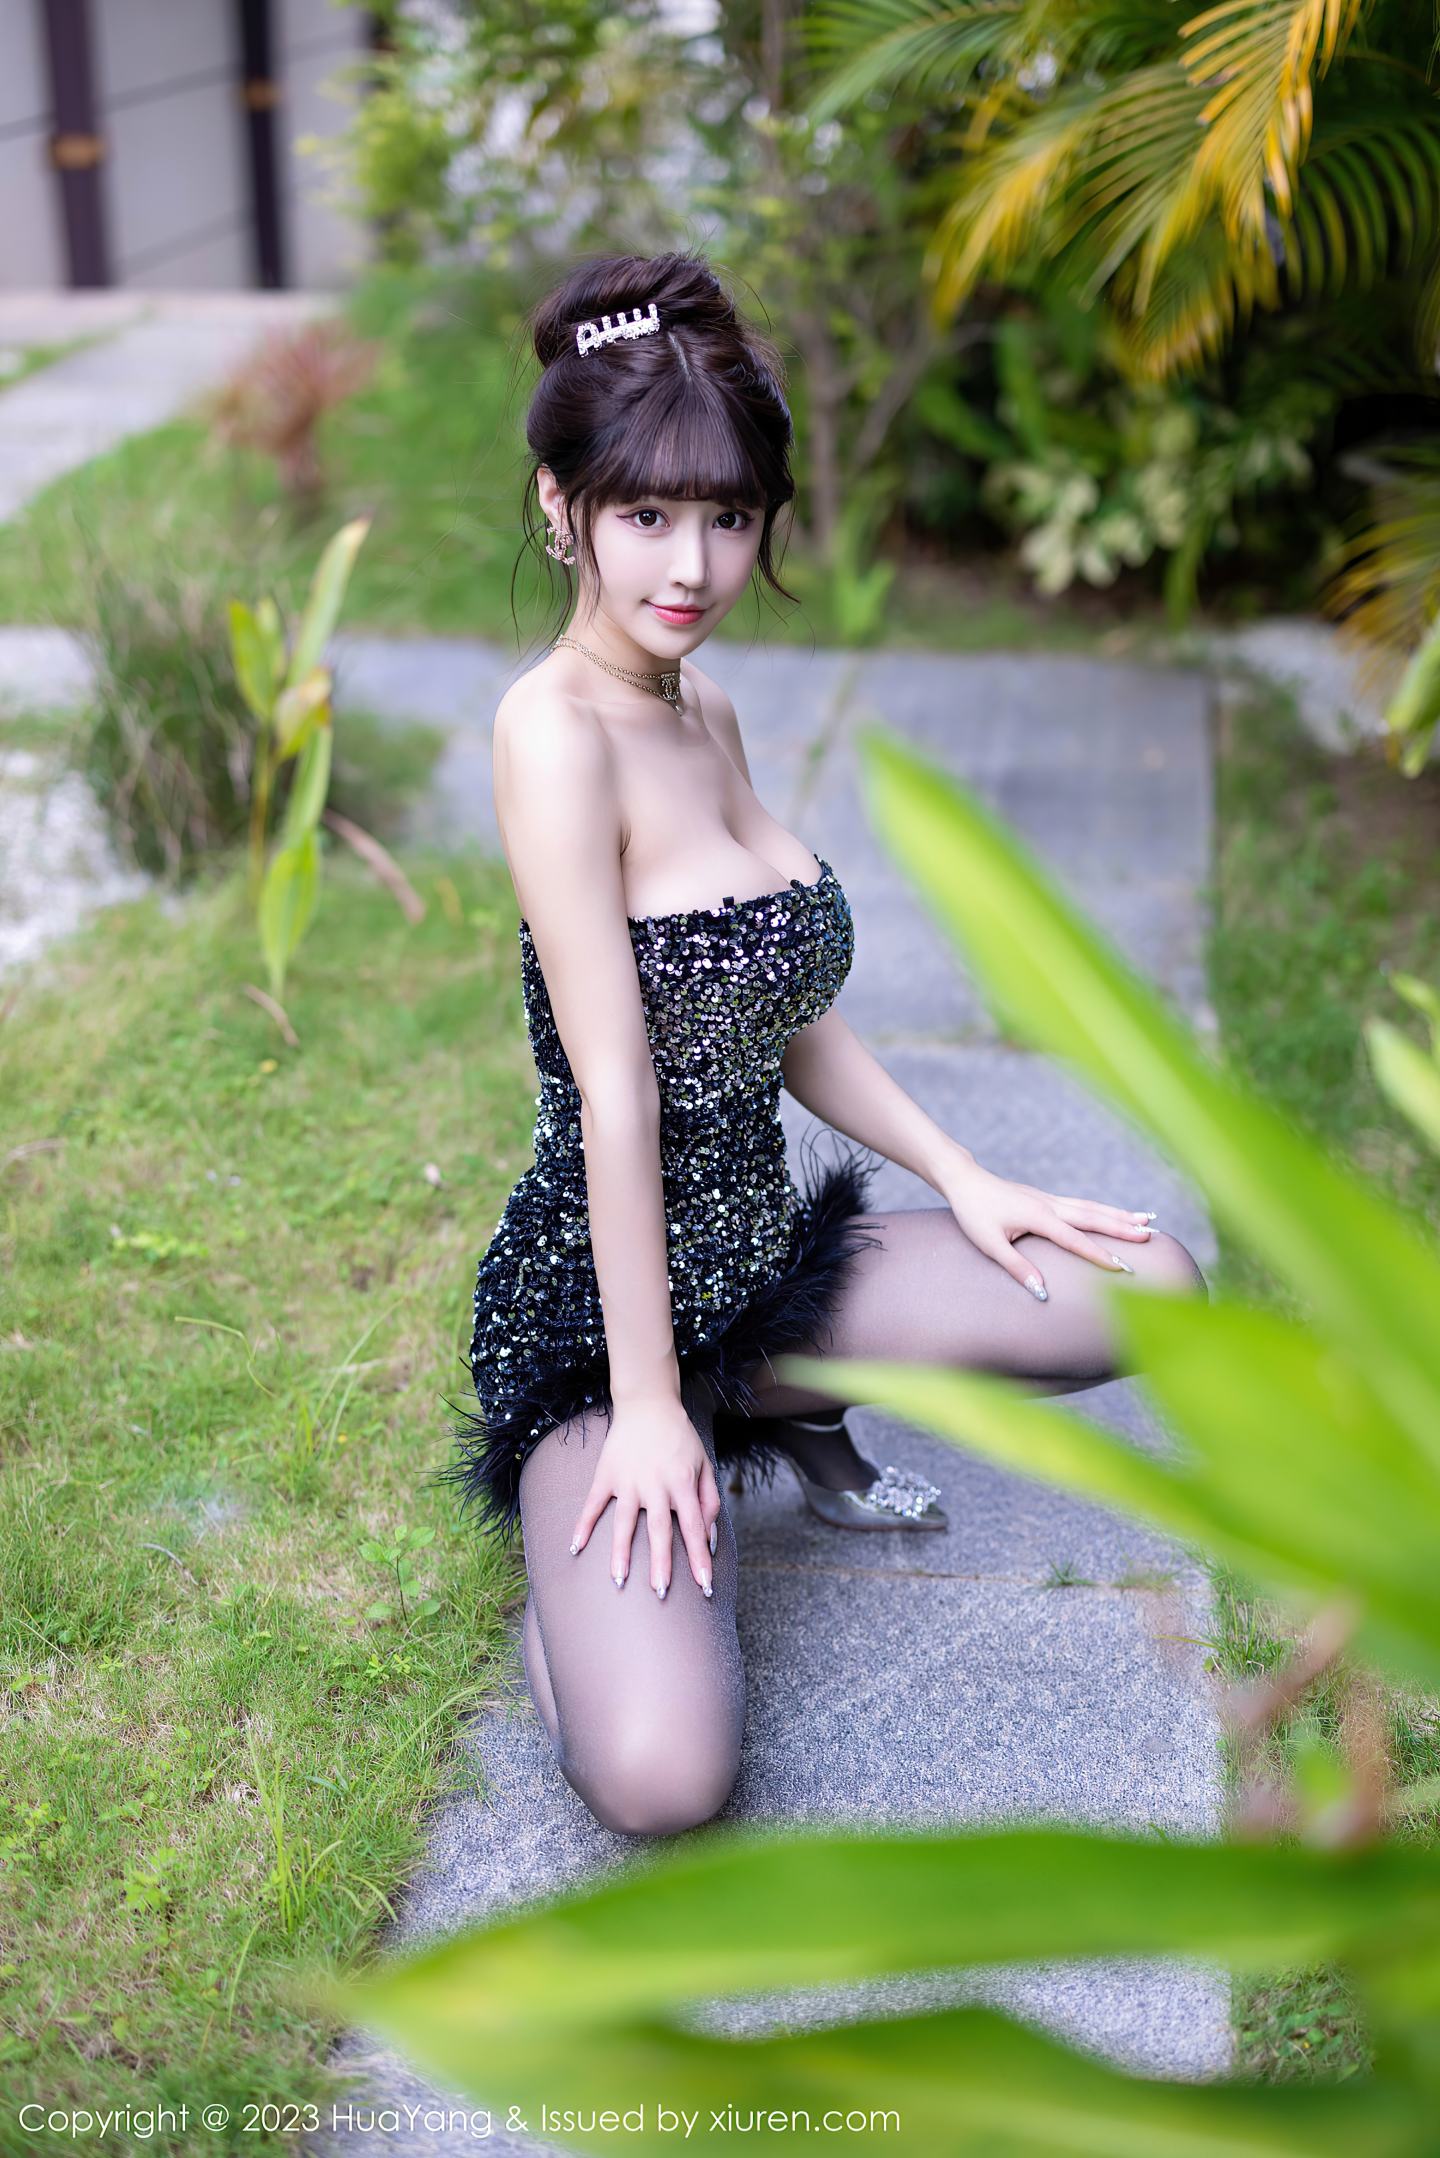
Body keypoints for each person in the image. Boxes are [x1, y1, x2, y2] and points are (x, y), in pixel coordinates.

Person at [429, 250, 1208, 1839]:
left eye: (730, 515)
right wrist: (653, 1403)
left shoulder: (700, 710)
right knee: (663, 1777)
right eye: (648, 514)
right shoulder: (550, 733)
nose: (694, 563)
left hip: (760, 1270)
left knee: (1153, 1284)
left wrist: (970, 1178)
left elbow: (786, 1017)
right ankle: (601, 1526)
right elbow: (616, 1093)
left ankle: (770, 1399)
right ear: (560, 508)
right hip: (600, 1323)